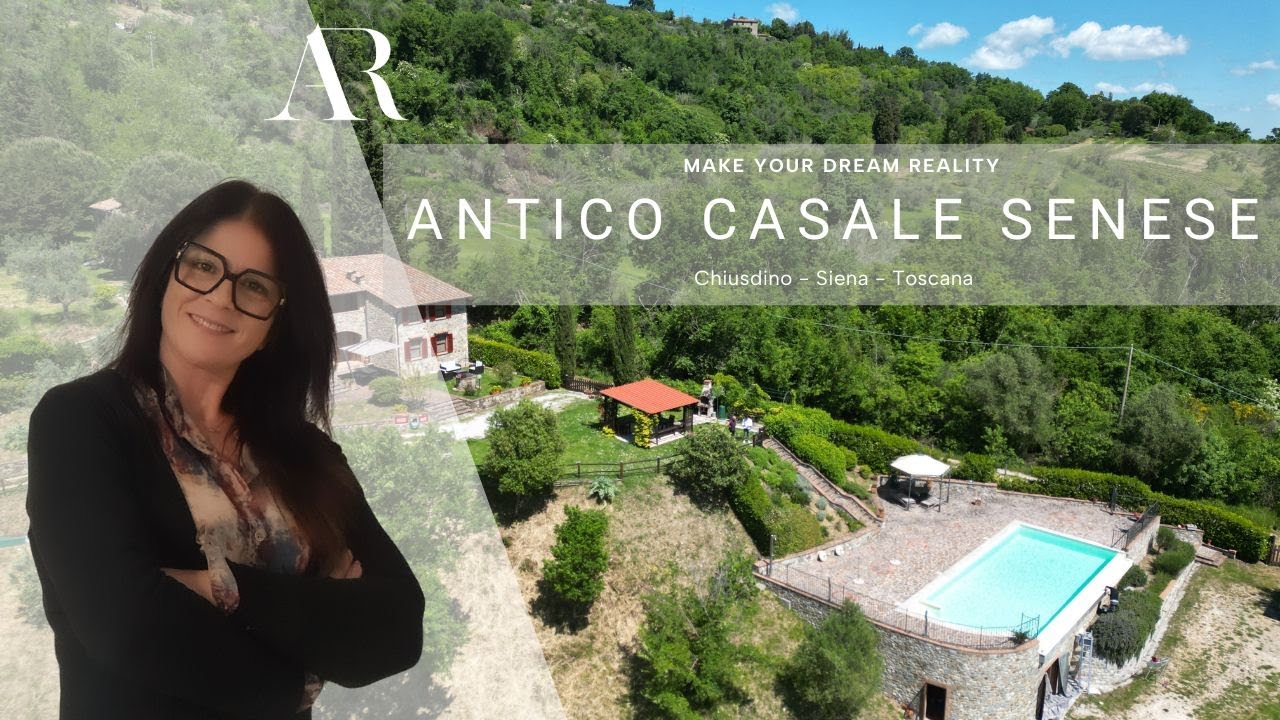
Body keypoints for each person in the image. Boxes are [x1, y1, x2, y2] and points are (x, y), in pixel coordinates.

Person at [25, 180, 425, 719]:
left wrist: (213, 589)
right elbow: (125, 626)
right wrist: (310, 643)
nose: (219, 297)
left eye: (254, 286)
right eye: (203, 266)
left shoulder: (306, 454)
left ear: (276, 324)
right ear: (167, 274)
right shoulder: (79, 420)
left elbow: (398, 627)